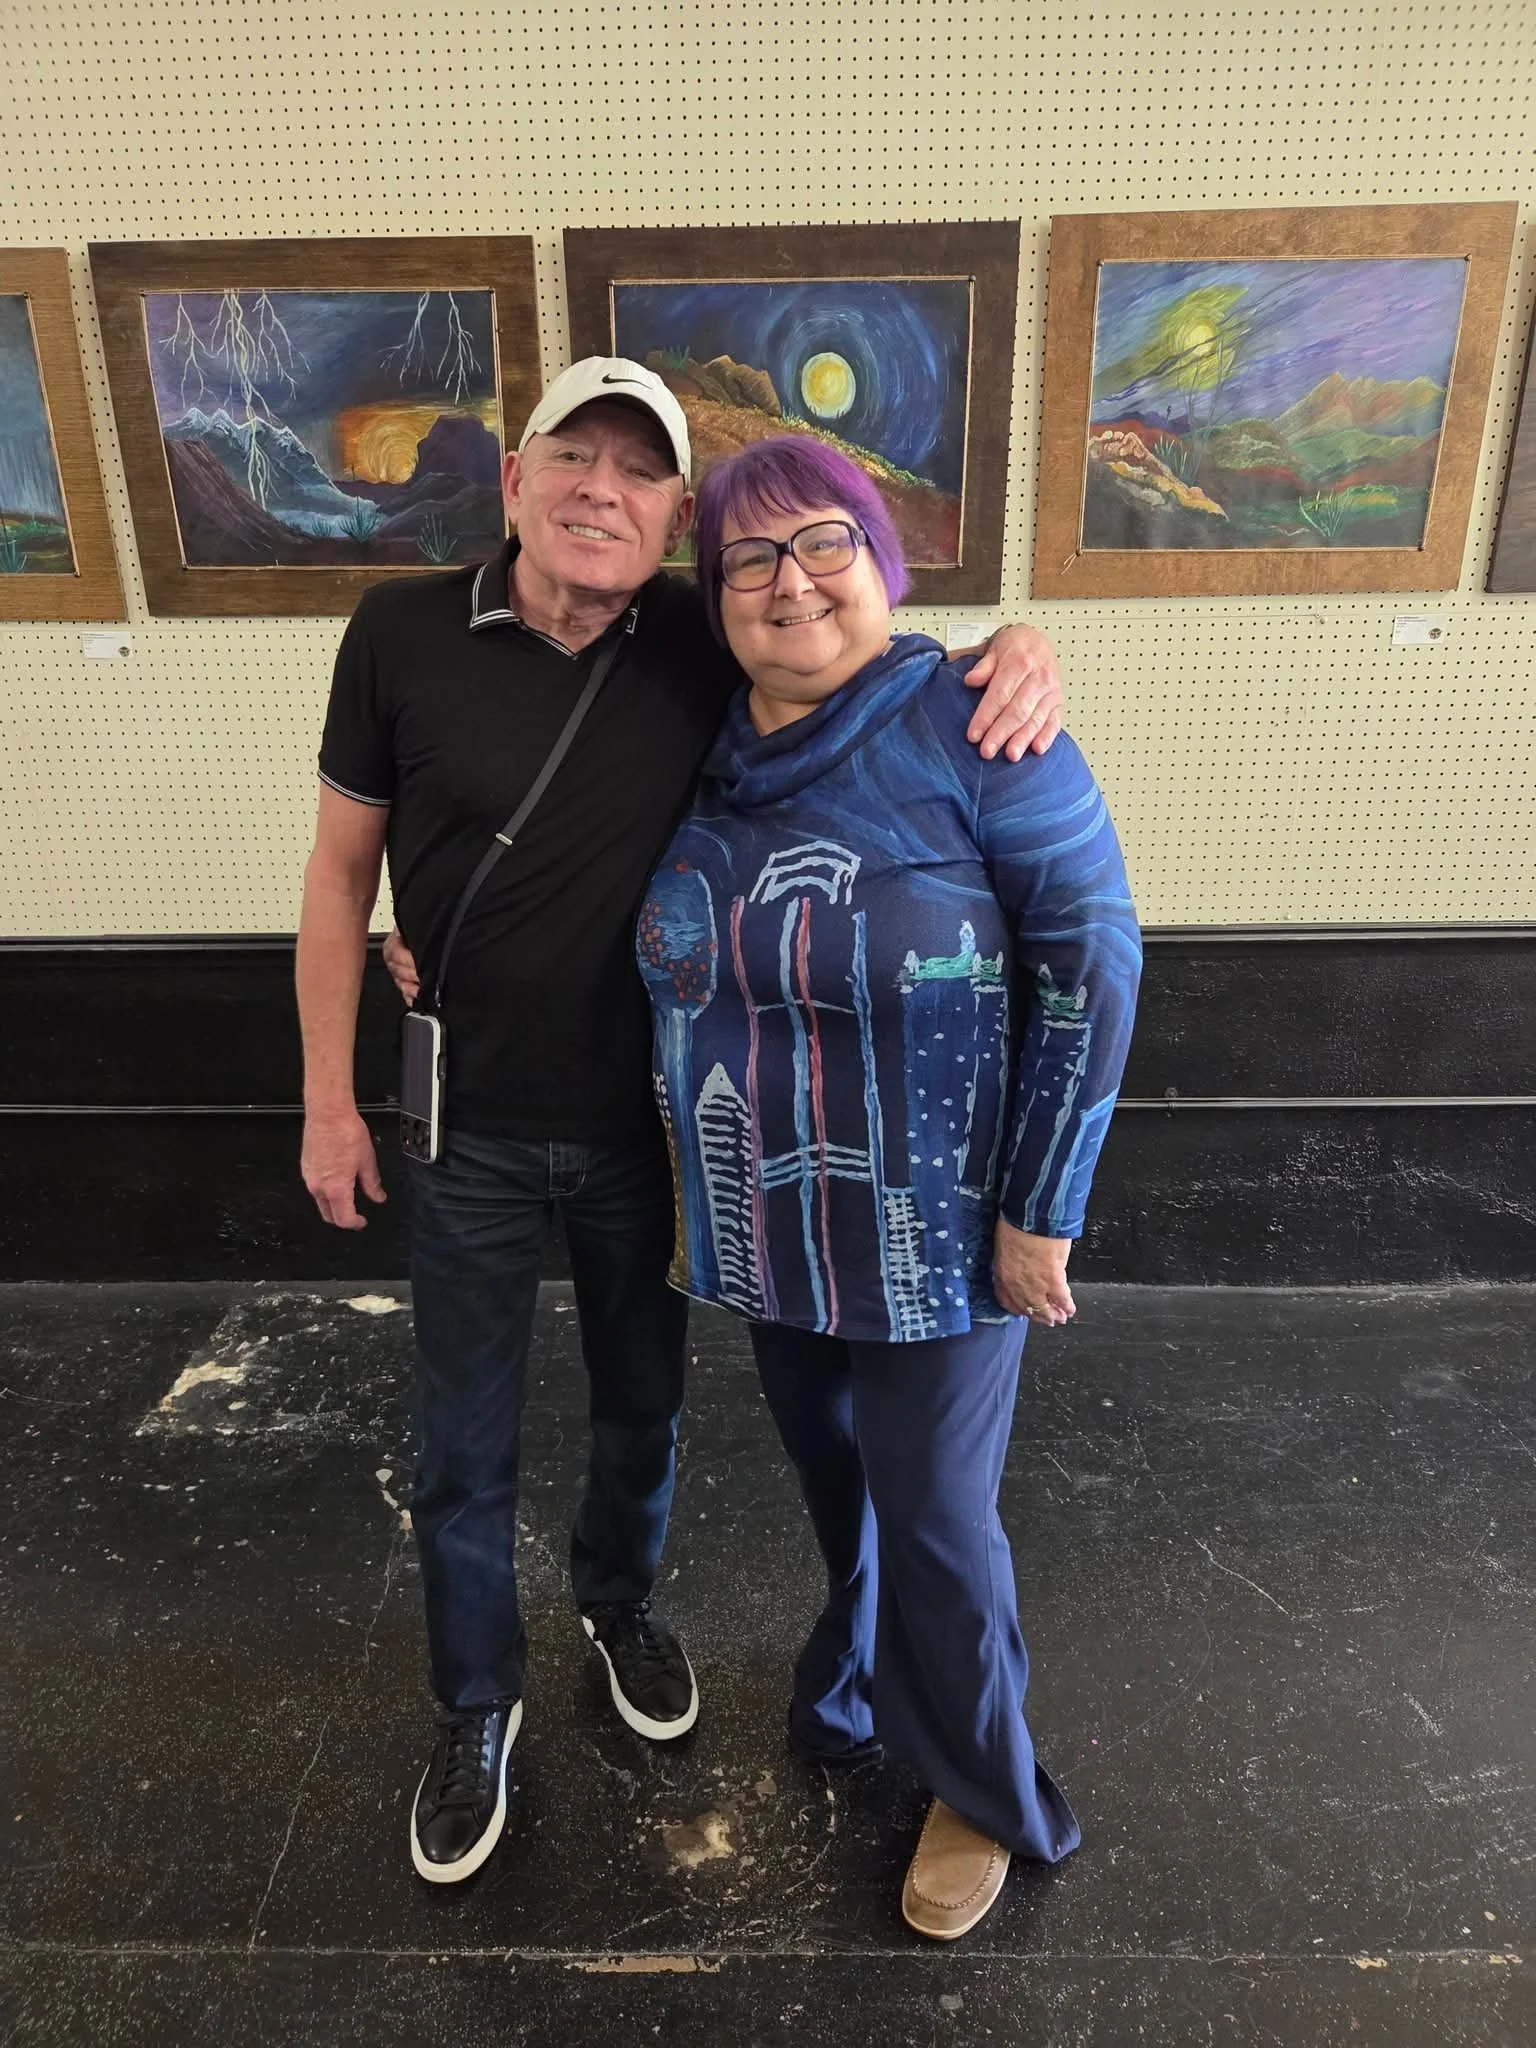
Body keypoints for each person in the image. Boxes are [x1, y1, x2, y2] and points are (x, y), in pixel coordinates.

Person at [298, 356, 1069, 1887]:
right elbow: (339, 880)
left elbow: (857, 645)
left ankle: (622, 1604)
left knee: (643, 1411)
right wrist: (330, 1094)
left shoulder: (697, 630)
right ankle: (475, 1707)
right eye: (570, 459)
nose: (601, 490)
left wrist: (1018, 644)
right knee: (461, 1444)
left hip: (653, 1133)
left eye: (638, 471)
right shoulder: (395, 631)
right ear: (511, 481)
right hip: (466, 1124)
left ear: (668, 516)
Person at [635, 435, 1141, 1940]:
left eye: (824, 544)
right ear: (712, 595)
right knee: (837, 1482)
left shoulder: (977, 724)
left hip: (937, 1232)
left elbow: (1095, 966)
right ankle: (850, 1680)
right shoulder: (698, 741)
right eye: (748, 558)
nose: (790, 583)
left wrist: (1042, 1205)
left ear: (883, 559)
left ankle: (988, 1790)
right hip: (769, 1222)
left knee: (935, 1514)